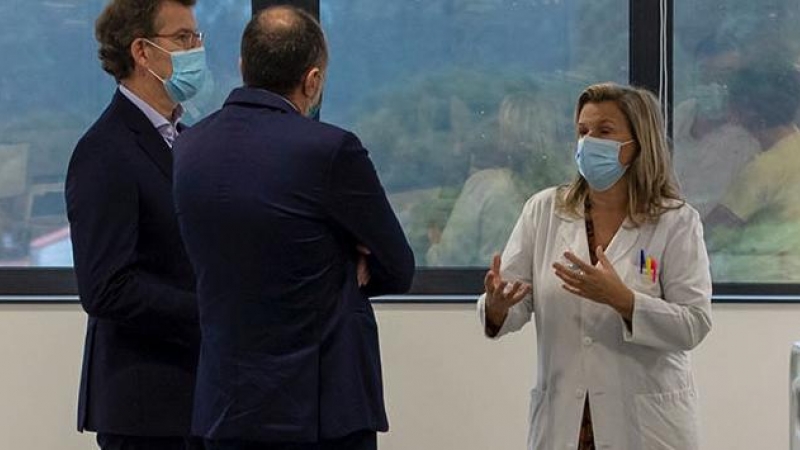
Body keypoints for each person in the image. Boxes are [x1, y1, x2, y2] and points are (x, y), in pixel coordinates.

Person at [172, 6, 415, 450]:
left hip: (224, 406)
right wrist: (347, 261)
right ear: (313, 80)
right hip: (319, 409)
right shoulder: (330, 150)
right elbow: (398, 266)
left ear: (243, 67)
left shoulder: (188, 148)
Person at [478, 83, 712, 450]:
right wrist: (496, 307)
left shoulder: (675, 221)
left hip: (646, 426)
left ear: (638, 142)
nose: (589, 143)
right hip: (564, 423)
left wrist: (625, 301)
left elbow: (694, 324)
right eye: (582, 132)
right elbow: (513, 300)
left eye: (604, 131)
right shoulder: (544, 211)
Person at [65, 1, 207, 449]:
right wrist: (212, 310)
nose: (196, 50)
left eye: (197, 38)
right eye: (183, 38)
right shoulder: (105, 151)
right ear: (142, 52)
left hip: (200, 398)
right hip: (146, 409)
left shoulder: (186, 139)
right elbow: (107, 287)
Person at [426, 92, 565, 266]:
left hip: (487, 289)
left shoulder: (485, 187)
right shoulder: (571, 192)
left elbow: (448, 261)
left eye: (501, 130)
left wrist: (434, 245)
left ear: (509, 138)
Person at [705, 63, 800, 281]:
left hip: (761, 278)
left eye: (733, 101)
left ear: (750, 111)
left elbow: (711, 233)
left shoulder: (765, 169)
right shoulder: (794, 146)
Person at [673, 34, 760, 215]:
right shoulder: (681, 113)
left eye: (726, 74)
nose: (714, 82)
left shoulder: (752, 130)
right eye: (705, 71)